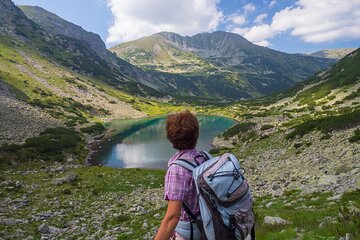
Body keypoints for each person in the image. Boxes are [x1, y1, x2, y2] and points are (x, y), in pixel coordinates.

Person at [155, 110, 206, 240]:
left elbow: (172, 217)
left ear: (171, 137)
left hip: (190, 232)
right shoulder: (204, 157)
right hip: (207, 223)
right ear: (196, 134)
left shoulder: (177, 169)